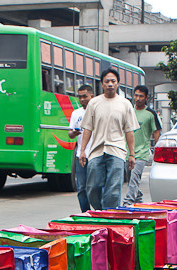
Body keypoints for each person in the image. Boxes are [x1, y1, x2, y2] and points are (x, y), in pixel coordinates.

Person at [79, 69, 139, 210]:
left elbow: (129, 131)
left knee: (113, 189)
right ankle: (101, 211)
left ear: (118, 84)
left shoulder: (125, 104)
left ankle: (109, 215)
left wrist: (132, 154)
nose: (110, 84)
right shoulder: (94, 103)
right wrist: (82, 151)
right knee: (92, 187)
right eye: (107, 81)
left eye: (113, 81)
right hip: (96, 151)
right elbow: (87, 128)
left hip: (117, 151)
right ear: (102, 84)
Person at [122, 85, 161, 206]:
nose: (138, 98)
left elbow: (156, 133)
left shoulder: (151, 114)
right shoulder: (129, 111)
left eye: (141, 96)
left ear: (146, 98)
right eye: (136, 95)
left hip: (142, 153)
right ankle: (139, 202)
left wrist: (157, 154)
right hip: (127, 152)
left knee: (134, 177)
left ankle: (127, 203)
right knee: (131, 181)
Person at [68, 84, 94, 211]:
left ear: (92, 96)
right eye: (80, 97)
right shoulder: (75, 113)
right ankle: (86, 214)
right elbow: (70, 134)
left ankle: (100, 212)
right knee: (82, 188)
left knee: (96, 187)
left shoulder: (97, 112)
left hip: (96, 155)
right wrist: (74, 133)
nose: (82, 99)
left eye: (85, 96)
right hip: (81, 156)